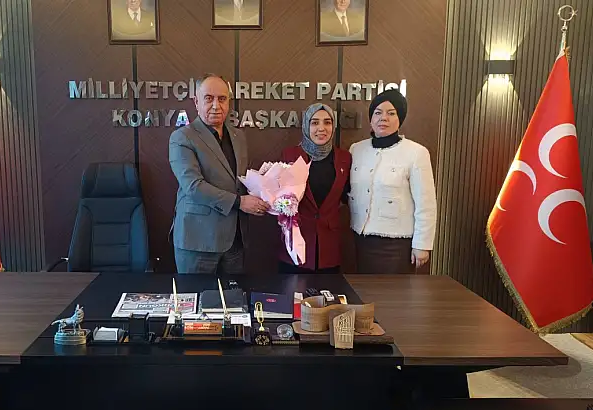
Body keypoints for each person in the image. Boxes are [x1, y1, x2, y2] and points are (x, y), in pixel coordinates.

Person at [169, 74, 269, 274]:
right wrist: (240, 202)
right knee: (197, 294)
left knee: (233, 294)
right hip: (198, 241)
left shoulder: (238, 136)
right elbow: (193, 186)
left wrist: (264, 186)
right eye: (209, 98)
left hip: (235, 241)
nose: (216, 105)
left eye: (222, 99)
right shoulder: (182, 137)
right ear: (196, 102)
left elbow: (236, 180)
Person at [348, 88, 437, 274]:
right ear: (371, 119)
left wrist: (422, 244)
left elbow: (426, 204)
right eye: (378, 113)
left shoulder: (416, 153)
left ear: (400, 119)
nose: (383, 118)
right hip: (361, 240)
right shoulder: (356, 149)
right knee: (363, 290)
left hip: (396, 245)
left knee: (394, 292)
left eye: (391, 113)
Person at [278, 103, 352, 274]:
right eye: (314, 122)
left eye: (327, 122)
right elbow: (278, 197)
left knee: (329, 291)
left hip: (328, 247)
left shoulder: (344, 158)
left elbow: (347, 195)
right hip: (295, 245)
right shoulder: (289, 155)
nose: (321, 128)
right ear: (306, 126)